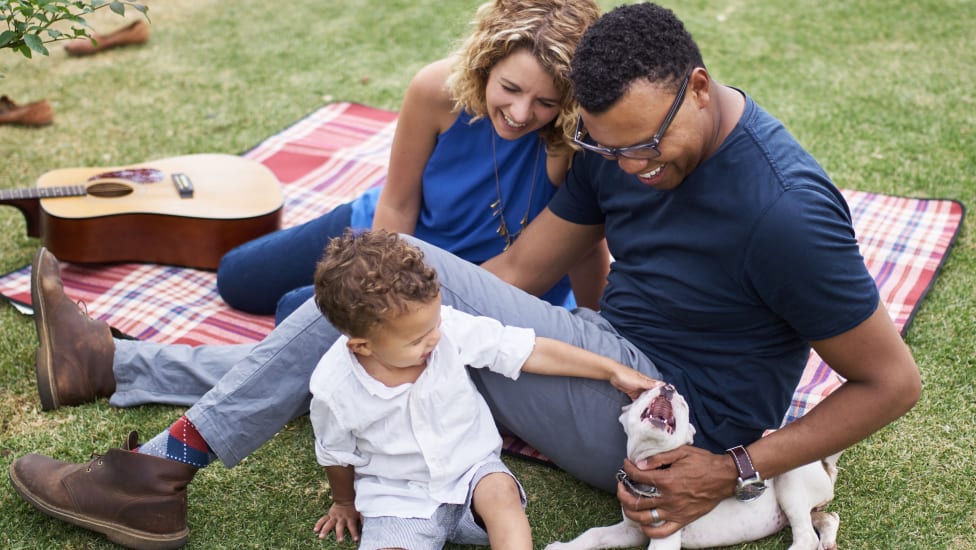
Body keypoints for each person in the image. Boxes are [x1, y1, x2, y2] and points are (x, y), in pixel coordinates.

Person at [9, 3, 922, 549]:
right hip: (606, 362)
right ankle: (122, 378)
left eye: (648, 144)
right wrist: (398, 324)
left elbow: (892, 382)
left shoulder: (784, 210)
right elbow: (523, 270)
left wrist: (732, 469)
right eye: (608, 147)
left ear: (697, 83)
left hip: (673, 428)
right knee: (384, 317)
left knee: (394, 273)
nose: (631, 164)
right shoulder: (611, 142)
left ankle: (158, 465)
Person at [215, 0, 607, 323]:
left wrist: (598, 325)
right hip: (391, 235)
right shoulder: (437, 91)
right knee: (237, 279)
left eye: (546, 102)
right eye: (510, 88)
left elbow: (584, 248)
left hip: (474, 281)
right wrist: (379, 285)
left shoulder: (574, 142)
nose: (521, 113)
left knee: (292, 312)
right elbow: (398, 203)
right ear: (486, 64)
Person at [307, 229, 657, 548]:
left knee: (502, 494)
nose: (434, 338)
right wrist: (344, 502)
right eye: (417, 339)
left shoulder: (447, 330)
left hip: (473, 472)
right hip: (398, 497)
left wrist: (611, 369)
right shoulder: (333, 388)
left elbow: (529, 350)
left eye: (435, 322)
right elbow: (336, 453)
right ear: (362, 347)